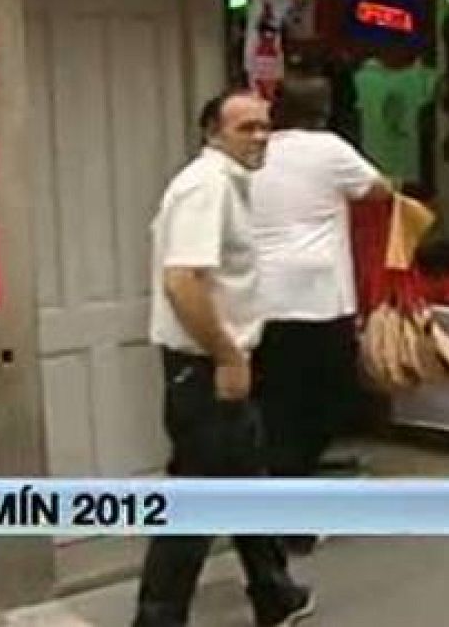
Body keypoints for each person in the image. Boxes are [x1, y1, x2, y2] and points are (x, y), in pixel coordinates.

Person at [134, 89, 314, 627]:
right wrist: (228, 355)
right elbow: (182, 281)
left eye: (265, 127)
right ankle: (156, 619)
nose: (260, 138)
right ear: (214, 133)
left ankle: (274, 593)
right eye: (246, 128)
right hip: (205, 365)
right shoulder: (206, 188)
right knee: (196, 501)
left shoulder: (228, 185)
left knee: (244, 477)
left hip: (217, 359)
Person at [251, 77, 389, 537]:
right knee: (324, 404)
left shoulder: (257, 150)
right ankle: (294, 514)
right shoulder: (329, 149)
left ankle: (280, 503)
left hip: (263, 299)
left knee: (276, 406)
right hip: (319, 299)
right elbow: (377, 190)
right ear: (325, 111)